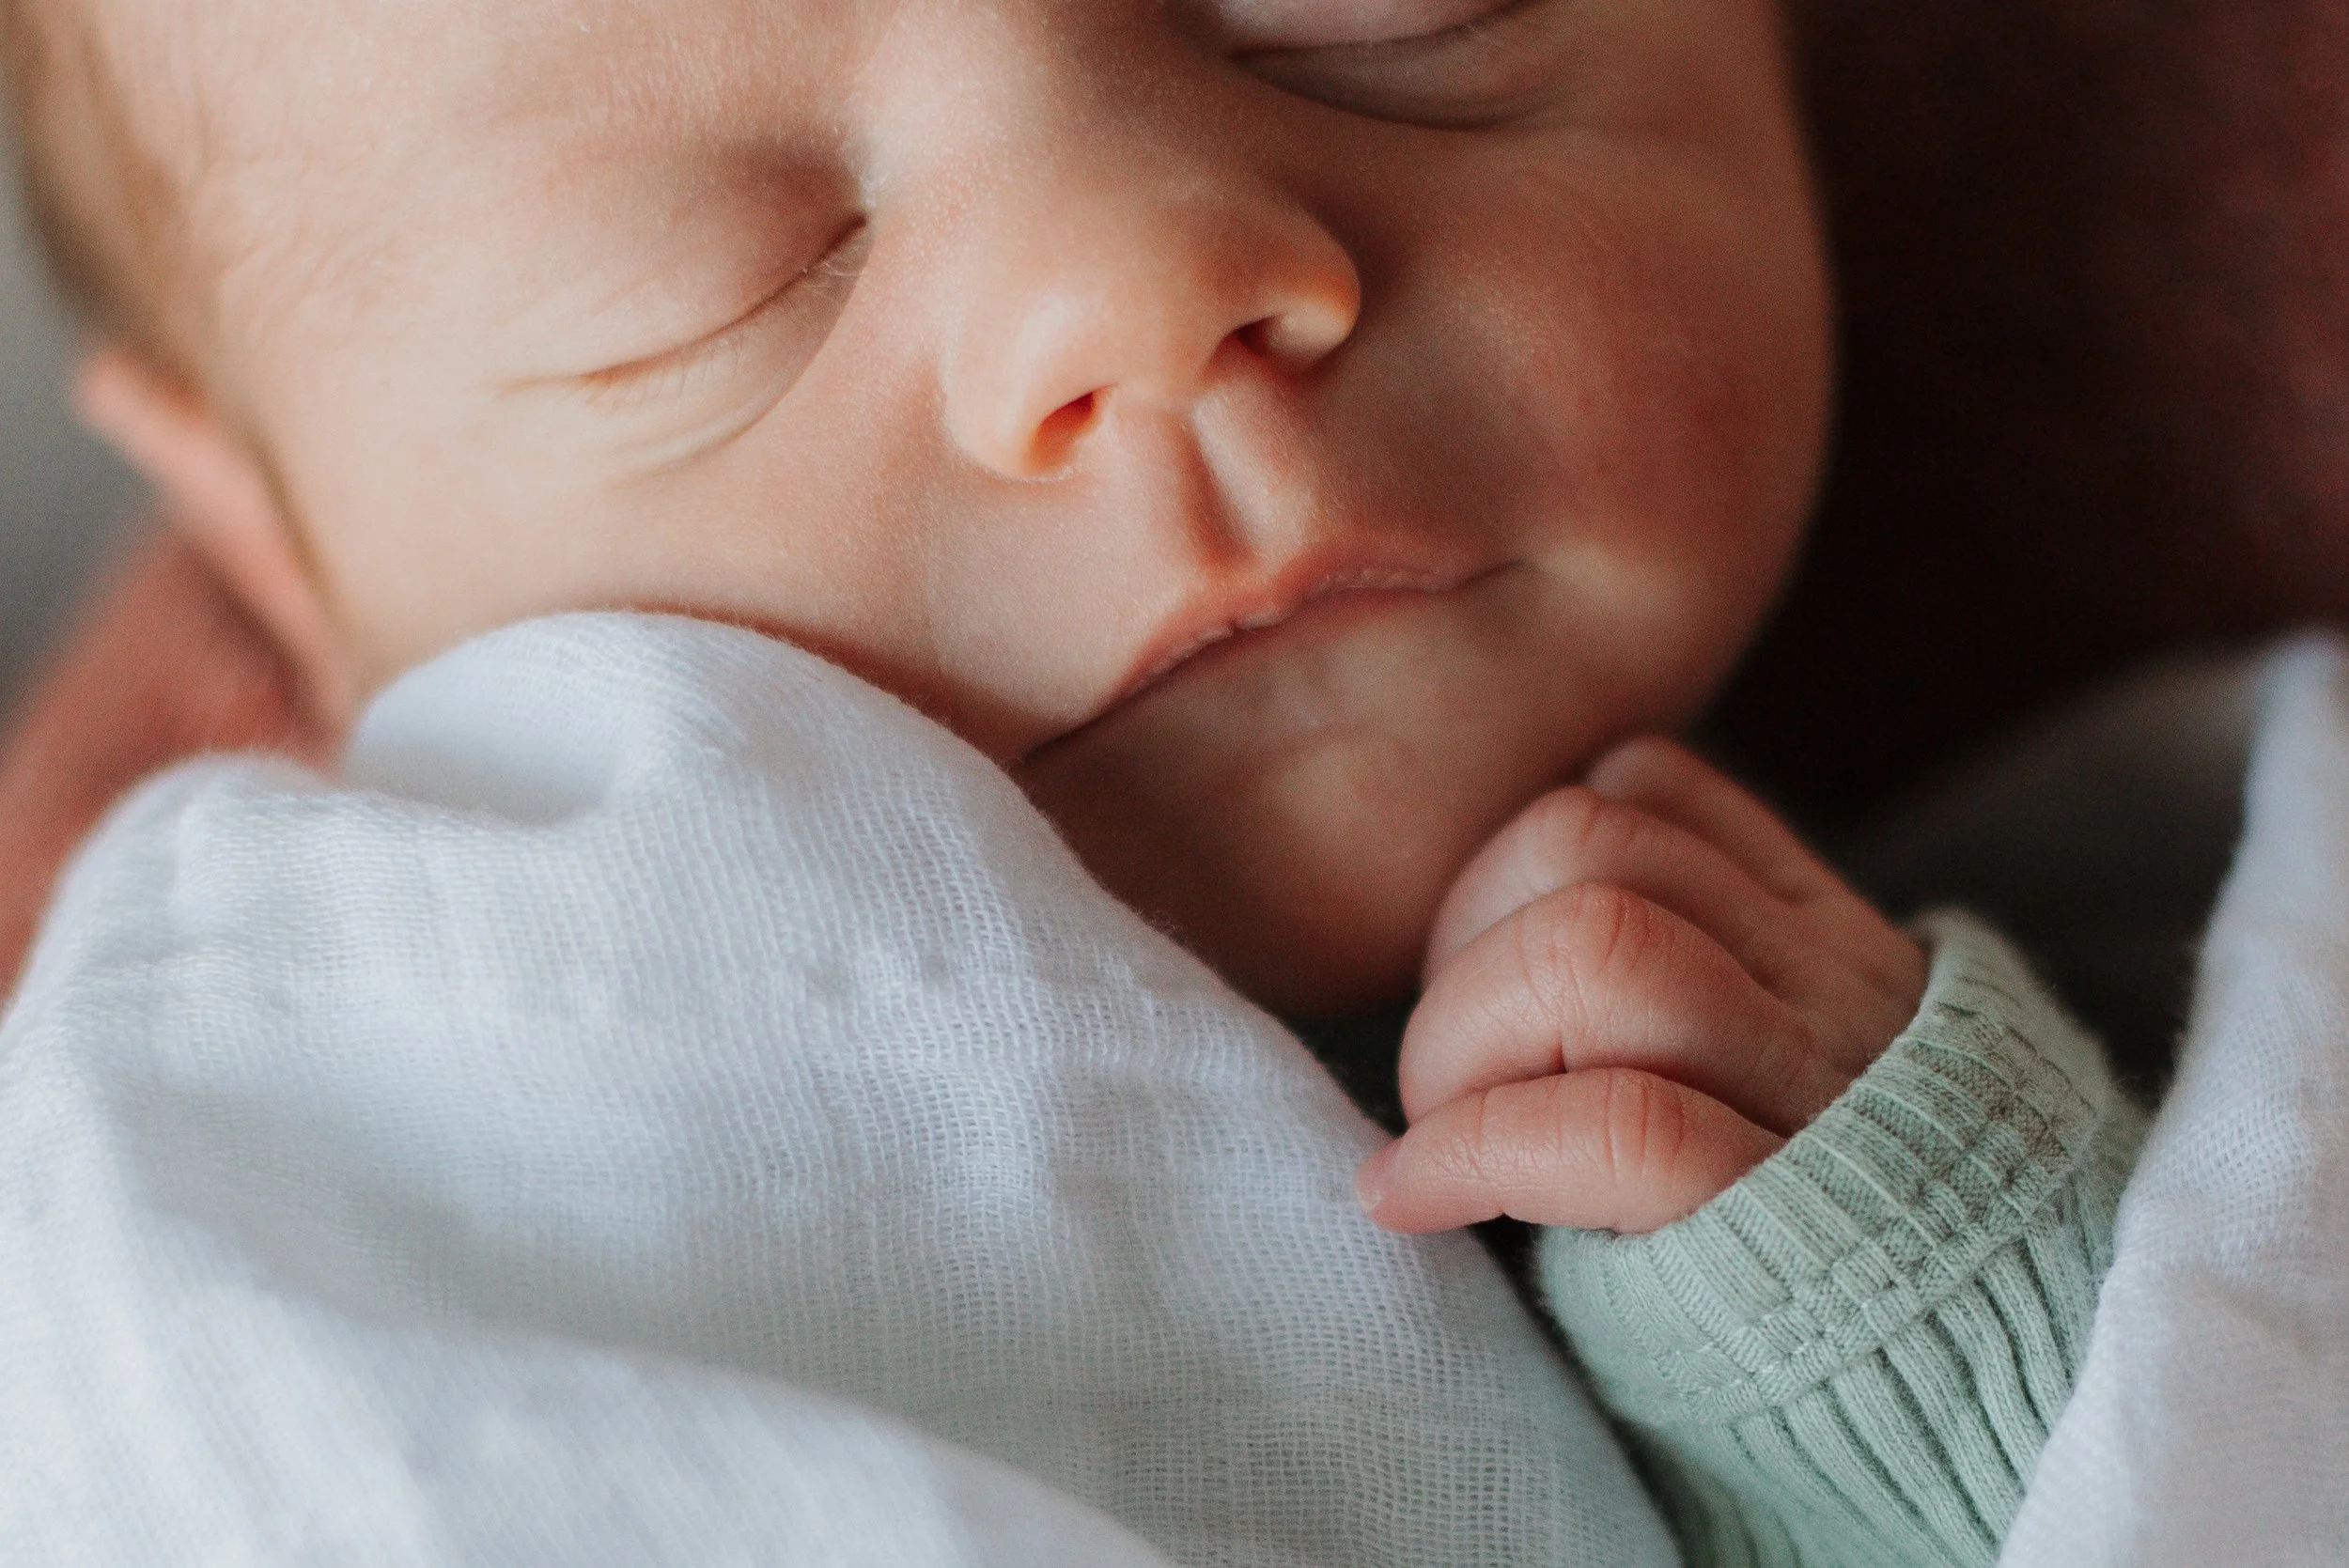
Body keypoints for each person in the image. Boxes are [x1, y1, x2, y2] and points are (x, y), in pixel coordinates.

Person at [0, 0, 2144, 1561]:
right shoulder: (291, 1173)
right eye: (702, 284)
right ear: (276, 552)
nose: (1141, 285)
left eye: (1369, 19)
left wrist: (1928, 1299)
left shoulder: (2146, 873)